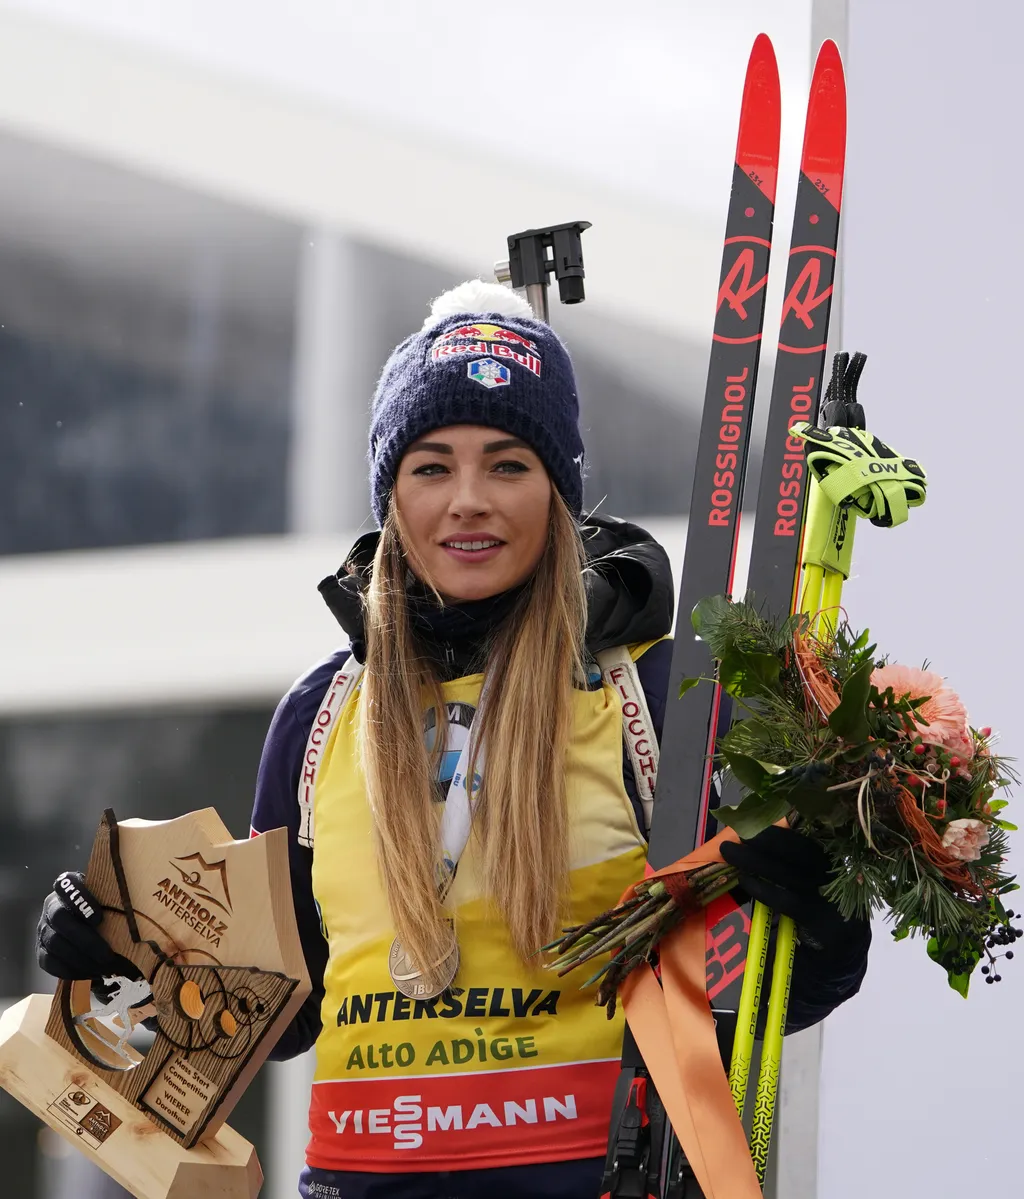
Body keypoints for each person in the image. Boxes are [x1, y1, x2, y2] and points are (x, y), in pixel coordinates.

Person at [36, 280, 871, 1199]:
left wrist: (822, 917)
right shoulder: (320, 715)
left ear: (558, 488)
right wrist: (127, 955)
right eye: (431, 467)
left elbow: (755, 995)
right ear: (390, 494)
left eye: (508, 464)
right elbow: (272, 1011)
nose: (468, 500)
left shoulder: (653, 692)